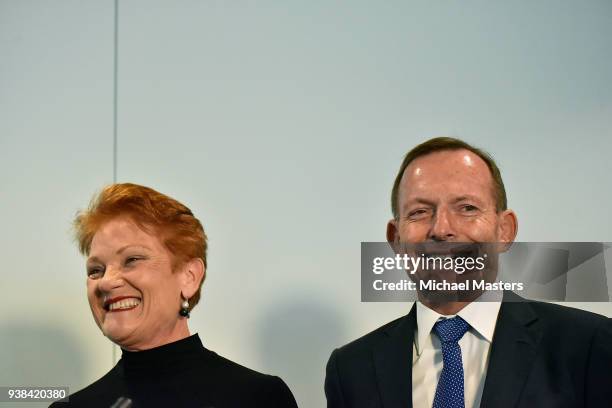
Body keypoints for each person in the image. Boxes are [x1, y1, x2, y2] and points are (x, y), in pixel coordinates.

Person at [324, 137, 612, 407]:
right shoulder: (351, 369)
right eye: (419, 212)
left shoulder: (590, 345)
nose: (441, 229)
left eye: (467, 208)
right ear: (395, 238)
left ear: (505, 230)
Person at [52, 183, 298, 408]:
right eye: (96, 270)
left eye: (132, 260)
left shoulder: (258, 398)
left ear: (189, 277)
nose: (106, 281)